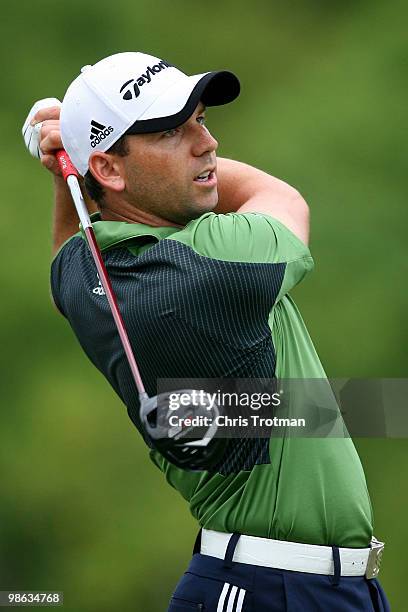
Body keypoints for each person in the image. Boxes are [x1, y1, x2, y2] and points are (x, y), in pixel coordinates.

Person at [23, 51, 389, 611]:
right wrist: (72, 157)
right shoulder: (210, 265)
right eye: (171, 131)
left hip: (279, 582)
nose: (207, 143)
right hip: (272, 588)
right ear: (111, 170)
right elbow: (283, 199)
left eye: (201, 119)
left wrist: (73, 168)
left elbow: (73, 259)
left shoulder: (85, 279)